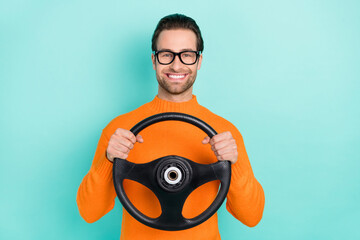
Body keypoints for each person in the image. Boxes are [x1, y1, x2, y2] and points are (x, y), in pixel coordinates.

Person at [77, 13, 265, 240]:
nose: (176, 65)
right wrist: (108, 160)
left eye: (187, 55)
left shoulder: (223, 132)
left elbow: (251, 217)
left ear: (199, 61)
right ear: (154, 60)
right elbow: (89, 213)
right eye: (167, 55)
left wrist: (235, 165)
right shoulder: (121, 130)